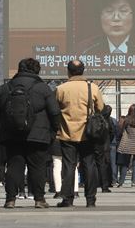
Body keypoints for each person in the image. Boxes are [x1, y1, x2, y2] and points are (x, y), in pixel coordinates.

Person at [0, 58, 60, 209]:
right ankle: (39, 199)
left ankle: (10, 199)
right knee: (37, 167)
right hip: (38, 135)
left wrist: (7, 124)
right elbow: (54, 112)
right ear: (37, 71)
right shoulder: (43, 88)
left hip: (11, 135)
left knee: (14, 166)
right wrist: (53, 130)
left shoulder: (5, 88)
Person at [54, 60, 104, 208]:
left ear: (68, 71)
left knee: (69, 166)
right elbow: (100, 107)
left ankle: (68, 199)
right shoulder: (92, 88)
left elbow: (54, 110)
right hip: (87, 133)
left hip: (67, 133)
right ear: (83, 71)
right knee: (89, 165)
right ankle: (90, 199)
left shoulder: (60, 89)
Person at [117, 105, 135, 187]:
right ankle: (134, 182)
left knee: (125, 164)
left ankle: (121, 182)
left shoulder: (126, 120)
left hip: (127, 143)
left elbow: (121, 131)